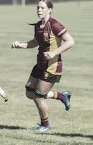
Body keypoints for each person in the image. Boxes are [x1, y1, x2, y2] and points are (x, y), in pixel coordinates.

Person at [12, 0, 74, 131]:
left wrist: (54, 53)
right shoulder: (38, 26)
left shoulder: (55, 25)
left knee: (39, 96)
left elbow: (70, 41)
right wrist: (20, 45)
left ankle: (45, 125)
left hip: (52, 67)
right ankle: (62, 96)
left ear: (49, 10)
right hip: (40, 64)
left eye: (42, 8)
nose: (39, 10)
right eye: (37, 8)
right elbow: (35, 42)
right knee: (30, 93)